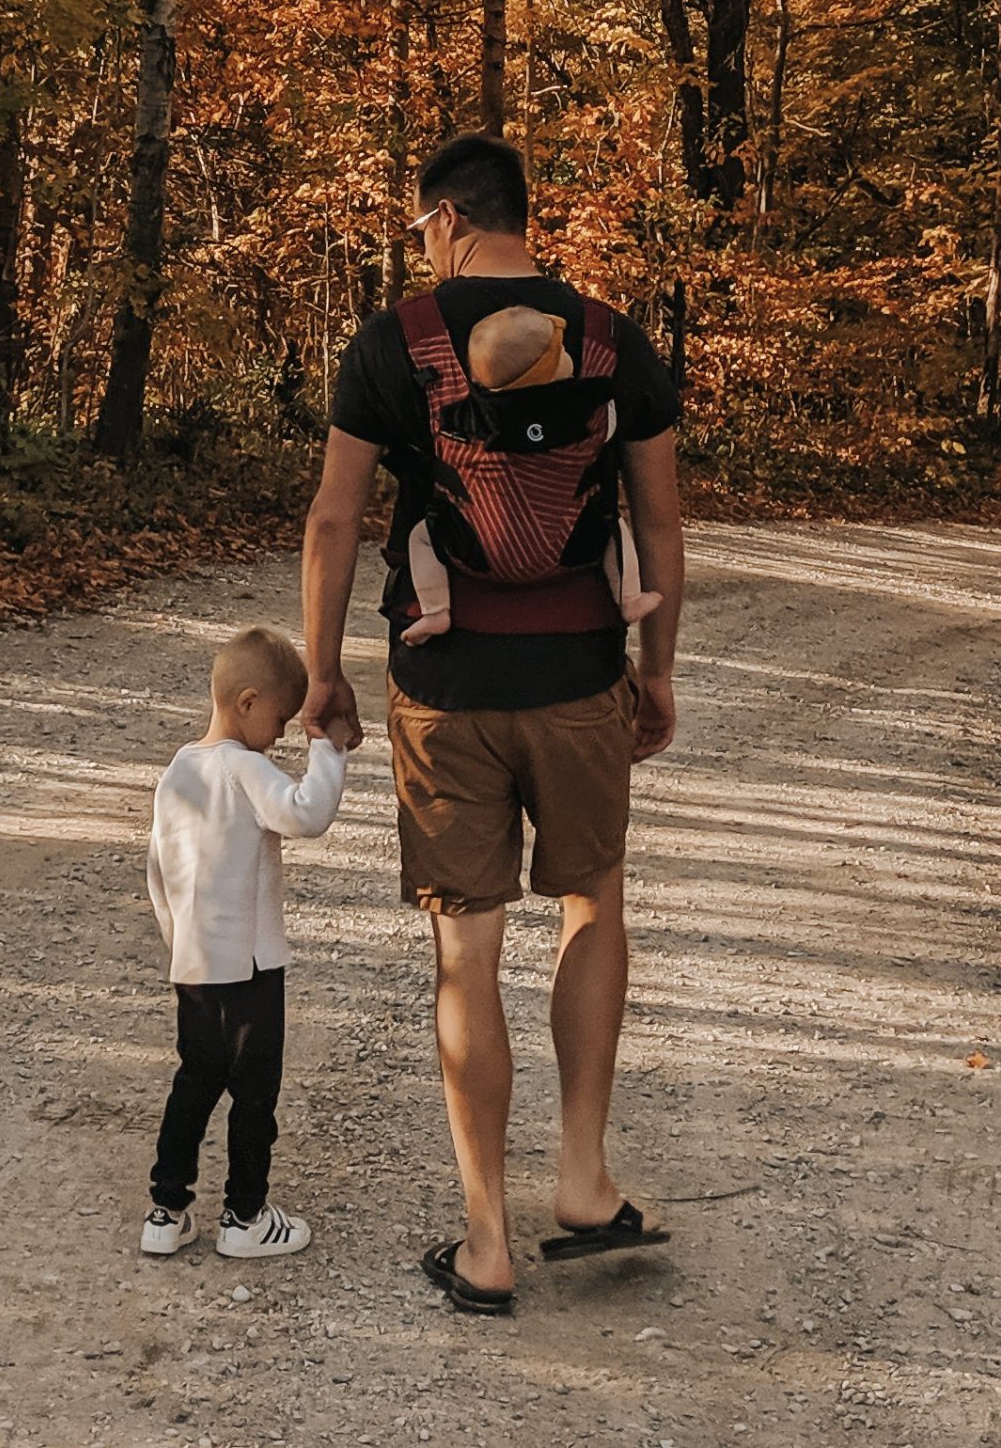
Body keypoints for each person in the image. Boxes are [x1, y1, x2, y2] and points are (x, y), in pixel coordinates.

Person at [300, 132, 685, 1315]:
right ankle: (580, 1178)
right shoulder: (615, 343)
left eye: (422, 228)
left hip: (443, 687)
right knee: (591, 903)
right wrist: (654, 672)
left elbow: (330, 523)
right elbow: (660, 531)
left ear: (450, 218)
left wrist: (321, 676)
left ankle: (485, 1242)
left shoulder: (393, 342)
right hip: (578, 676)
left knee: (466, 949)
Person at [140, 626, 347, 1260]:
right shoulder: (243, 768)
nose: (281, 733)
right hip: (253, 971)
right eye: (281, 719)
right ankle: (245, 1216)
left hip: (195, 967)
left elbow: (158, 872)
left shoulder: (178, 771)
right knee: (255, 1095)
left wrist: (179, 945)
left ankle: (166, 1210)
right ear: (249, 702)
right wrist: (328, 747)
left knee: (195, 1082)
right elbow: (306, 813)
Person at [400, 303, 661, 644]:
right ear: (548, 368)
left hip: (475, 551)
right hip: (571, 548)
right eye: (562, 351)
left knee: (421, 535)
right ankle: (629, 598)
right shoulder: (589, 409)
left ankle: (436, 611)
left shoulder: (461, 419)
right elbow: (614, 429)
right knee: (613, 524)